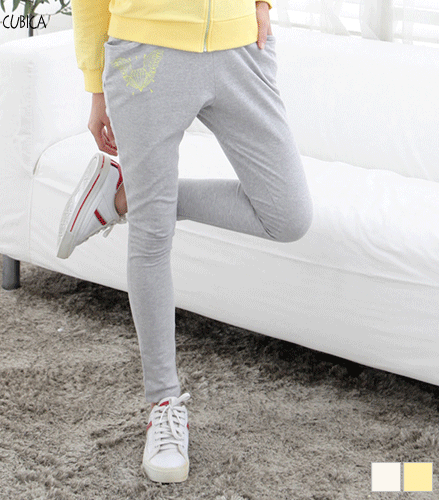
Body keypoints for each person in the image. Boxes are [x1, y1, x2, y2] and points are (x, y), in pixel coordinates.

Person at [58, 0, 313, 484]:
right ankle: (163, 405)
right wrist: (95, 86)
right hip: (147, 50)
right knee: (153, 235)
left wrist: (262, 5)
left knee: (288, 216)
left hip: (241, 48)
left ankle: (128, 196)